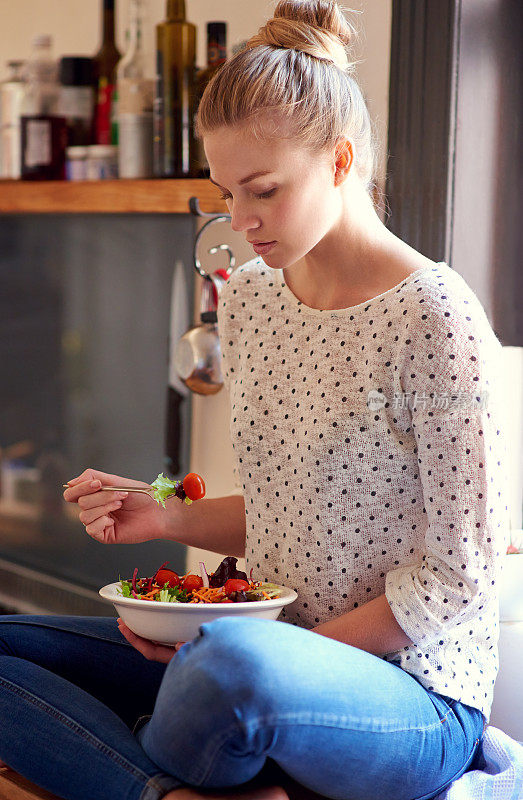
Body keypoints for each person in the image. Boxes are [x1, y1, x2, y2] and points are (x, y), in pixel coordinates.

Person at [0, 2, 509, 799]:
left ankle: (151, 750)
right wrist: (165, 514)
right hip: (257, 653)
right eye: (226, 192)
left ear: (339, 162)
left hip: (412, 694)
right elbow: (292, 507)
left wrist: (258, 654)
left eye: (263, 191)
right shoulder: (249, 300)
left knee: (227, 673)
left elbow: (461, 577)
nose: (240, 220)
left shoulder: (434, 316)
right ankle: (167, 789)